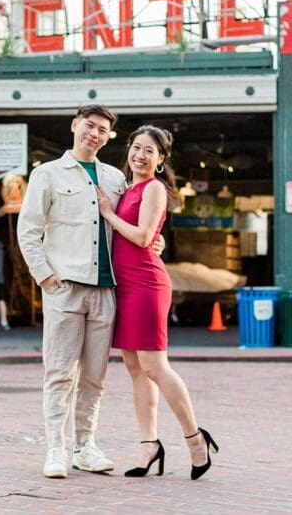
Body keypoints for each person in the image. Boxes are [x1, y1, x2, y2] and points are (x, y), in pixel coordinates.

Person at [19, 104, 167, 479]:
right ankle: (56, 447)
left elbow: (133, 224)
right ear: (75, 126)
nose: (95, 134)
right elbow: (28, 231)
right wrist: (47, 279)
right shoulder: (47, 174)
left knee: (95, 377)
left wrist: (157, 240)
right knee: (59, 372)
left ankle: (85, 446)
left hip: (106, 291)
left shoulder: (116, 178)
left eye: (102, 129)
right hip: (65, 288)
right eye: (89, 126)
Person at [96, 125, 218, 481]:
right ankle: (149, 445)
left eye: (149, 151)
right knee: (135, 368)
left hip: (147, 284)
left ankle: (196, 440)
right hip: (126, 285)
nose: (140, 155)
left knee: (155, 366)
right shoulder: (127, 187)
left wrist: (110, 215)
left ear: (161, 159)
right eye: (136, 148)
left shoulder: (154, 188)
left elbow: (143, 236)